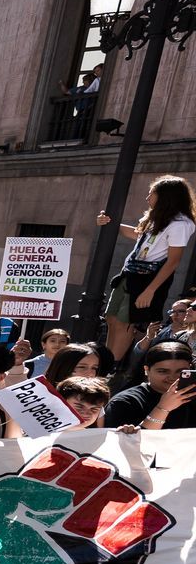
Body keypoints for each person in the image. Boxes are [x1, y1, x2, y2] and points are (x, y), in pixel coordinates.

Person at [98, 174, 194, 359]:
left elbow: (174, 260)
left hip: (146, 279)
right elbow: (138, 236)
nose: (147, 198)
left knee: (126, 322)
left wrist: (150, 290)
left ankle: (111, 366)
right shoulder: (157, 218)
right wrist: (110, 223)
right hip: (128, 274)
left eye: (152, 193)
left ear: (166, 197)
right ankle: (106, 361)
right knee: (111, 318)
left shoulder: (181, 224)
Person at [104, 341, 196, 430]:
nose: (172, 377)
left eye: (180, 372)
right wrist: (163, 408)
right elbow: (129, 442)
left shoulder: (192, 397)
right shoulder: (124, 402)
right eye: (163, 371)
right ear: (147, 370)